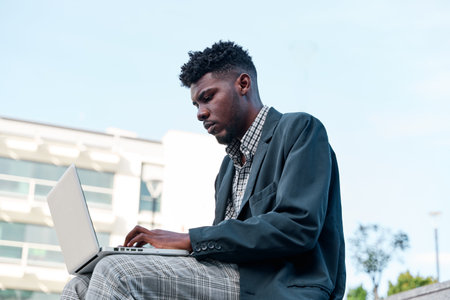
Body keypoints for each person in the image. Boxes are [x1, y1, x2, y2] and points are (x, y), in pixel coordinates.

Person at [62, 41, 345, 300]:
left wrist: (191, 239)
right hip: (230, 278)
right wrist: (172, 251)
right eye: (196, 104)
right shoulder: (227, 169)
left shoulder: (300, 131)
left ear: (243, 84)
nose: (200, 112)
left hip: (280, 286)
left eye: (208, 97)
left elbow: (297, 226)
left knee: (117, 271)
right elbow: (227, 245)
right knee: (80, 284)